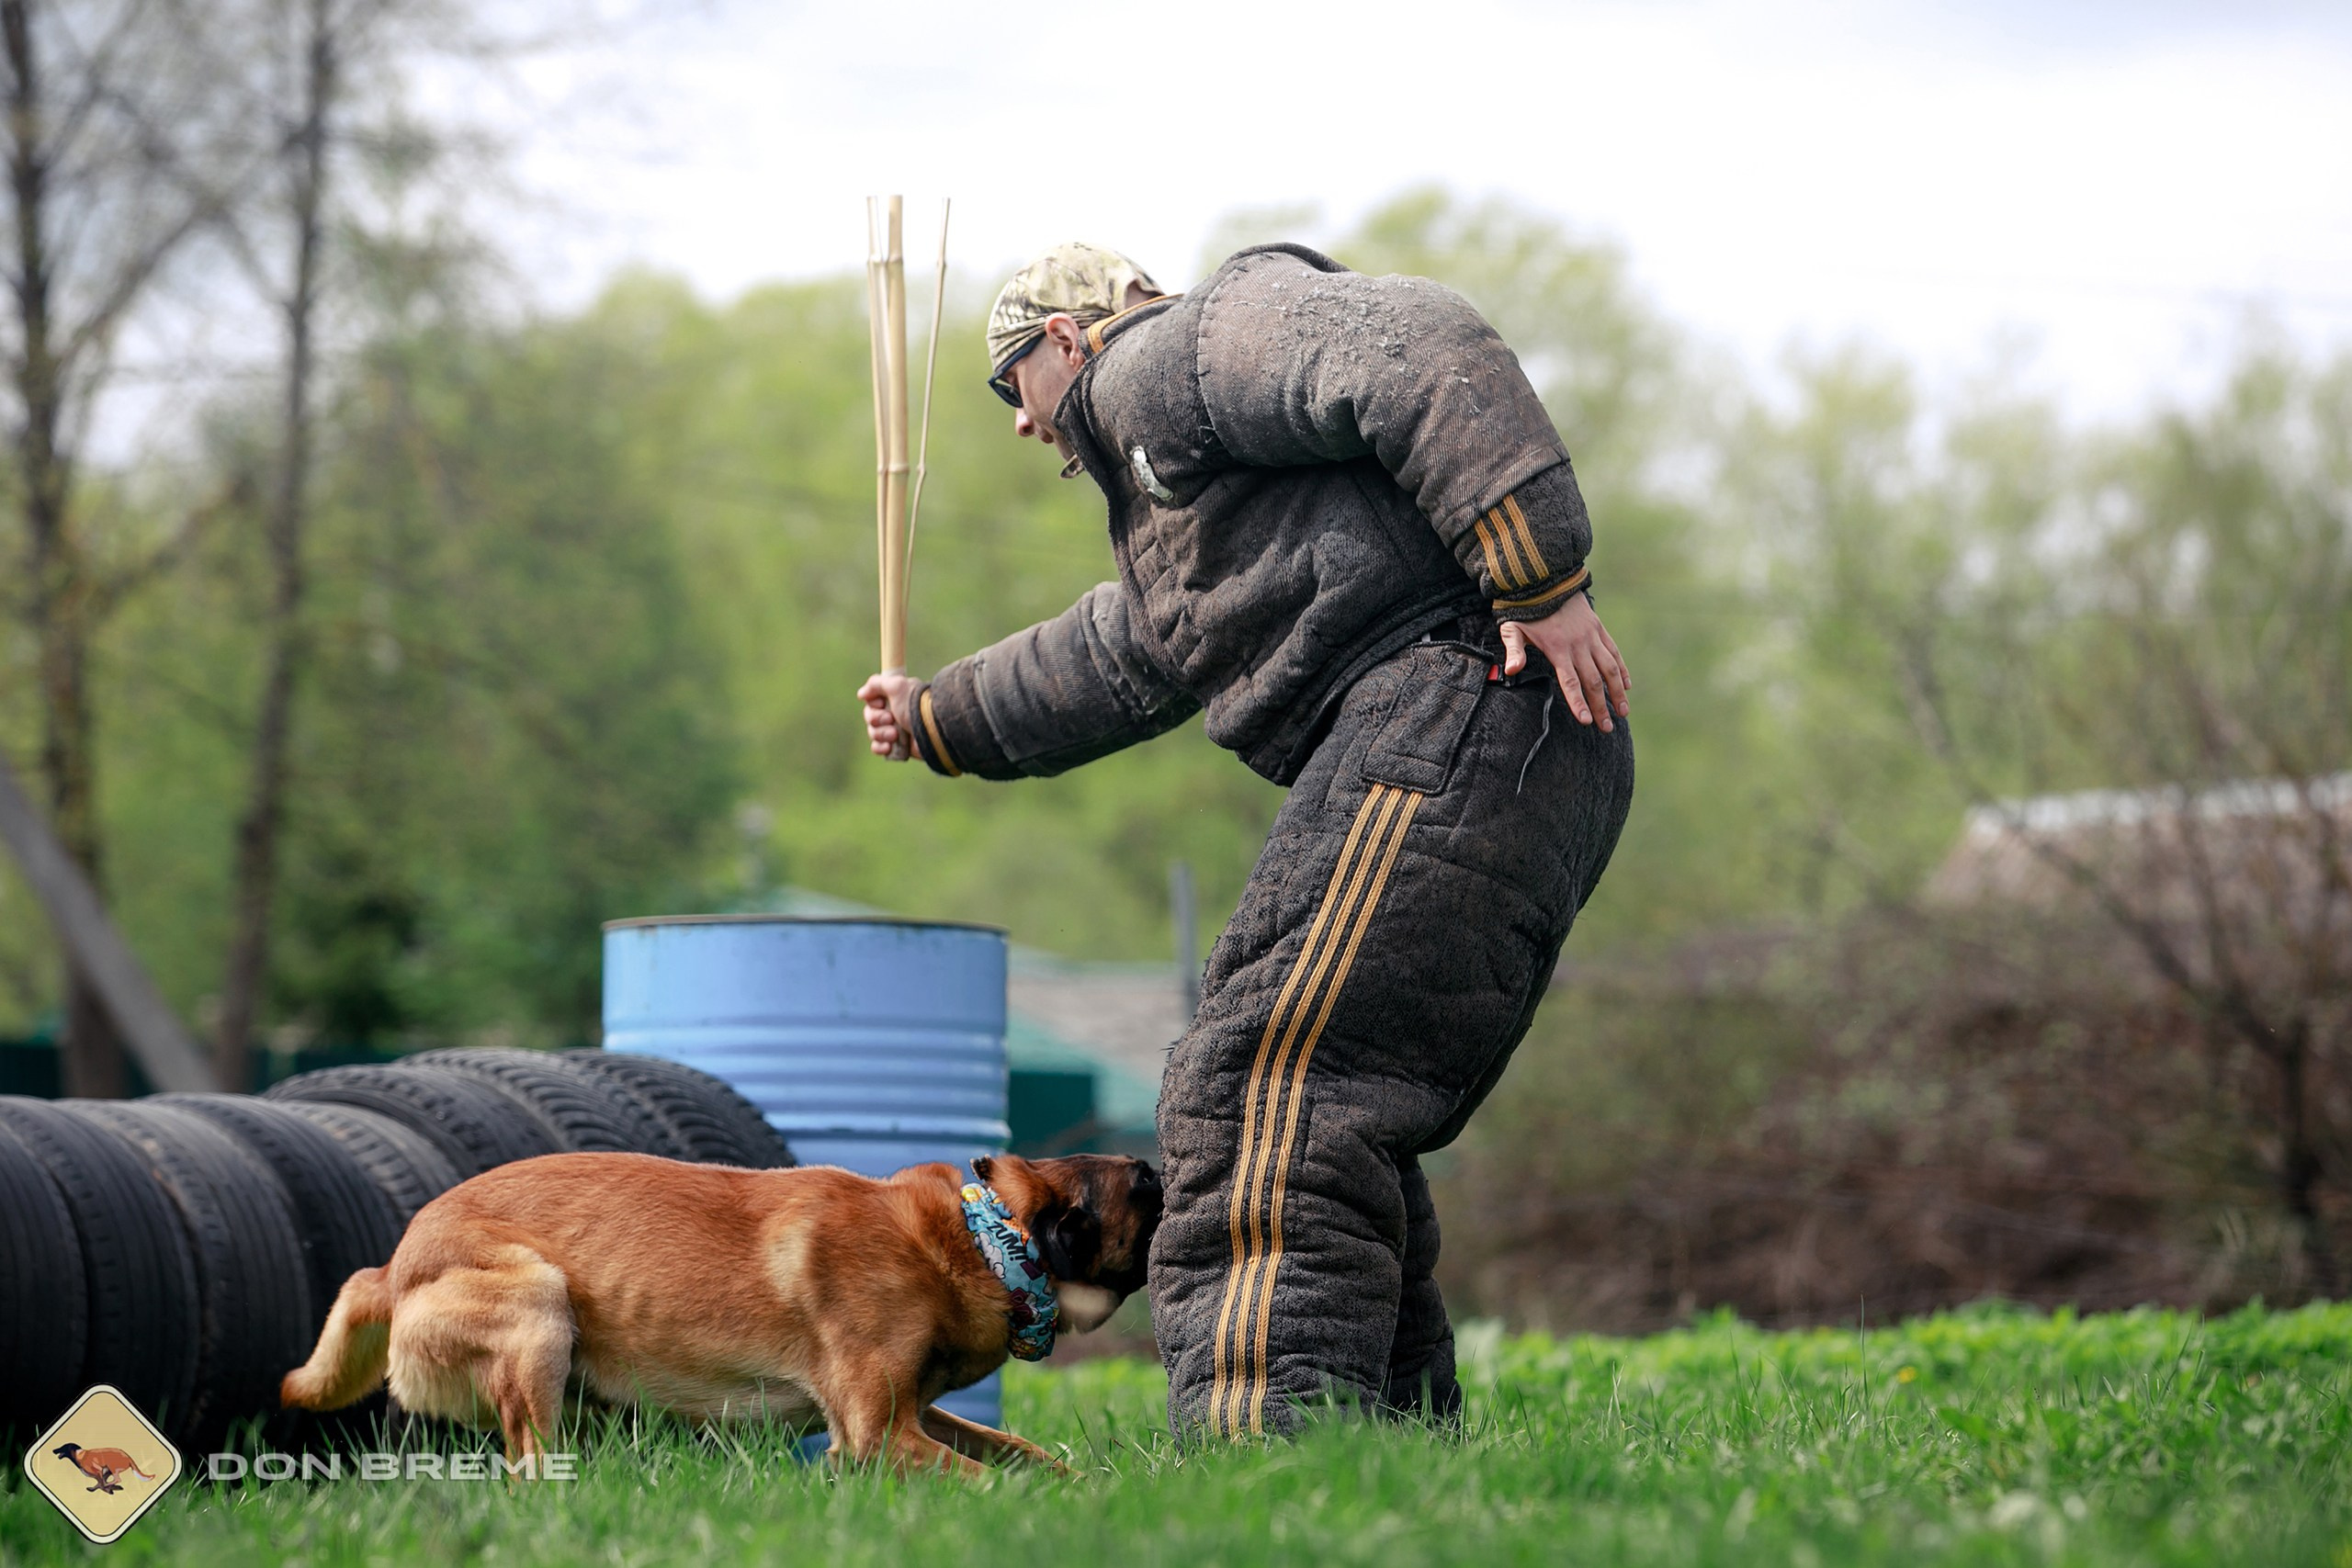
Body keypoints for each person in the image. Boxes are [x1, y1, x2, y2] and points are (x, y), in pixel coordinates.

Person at [858, 240, 1634, 1437]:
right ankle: (1386, 1456)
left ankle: (1262, 1455)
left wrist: (1537, 573)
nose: (1019, 424)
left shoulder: (1169, 360)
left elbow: (1412, 342)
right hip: (1471, 731)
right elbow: (1118, 656)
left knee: (1260, 1085)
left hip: (1457, 704)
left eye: (1012, 383)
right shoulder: (1187, 506)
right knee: (1327, 1101)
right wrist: (939, 716)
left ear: (1070, 339)